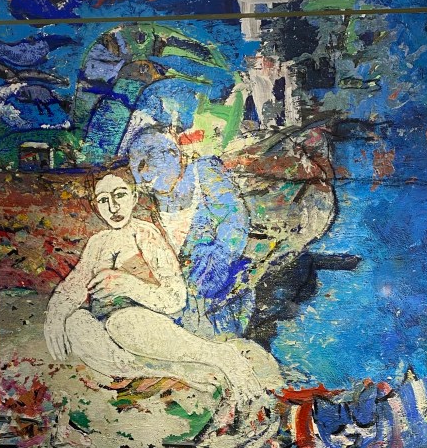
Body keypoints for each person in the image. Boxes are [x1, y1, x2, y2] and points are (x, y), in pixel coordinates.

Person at [44, 174, 265, 406]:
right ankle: (172, 372)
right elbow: (74, 285)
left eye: (120, 195)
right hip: (109, 335)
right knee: (75, 322)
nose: (113, 207)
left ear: (134, 197)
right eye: (103, 200)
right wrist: (55, 316)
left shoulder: (144, 234)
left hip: (145, 325)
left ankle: (220, 356)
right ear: (95, 205)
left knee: (121, 323)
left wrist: (127, 284)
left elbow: (175, 298)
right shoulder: (97, 242)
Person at [126, 128, 254, 337]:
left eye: (147, 162)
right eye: (137, 167)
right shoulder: (147, 202)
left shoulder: (203, 172)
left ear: (173, 154)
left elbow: (235, 219)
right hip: (179, 302)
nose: (144, 175)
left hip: (222, 292)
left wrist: (218, 259)